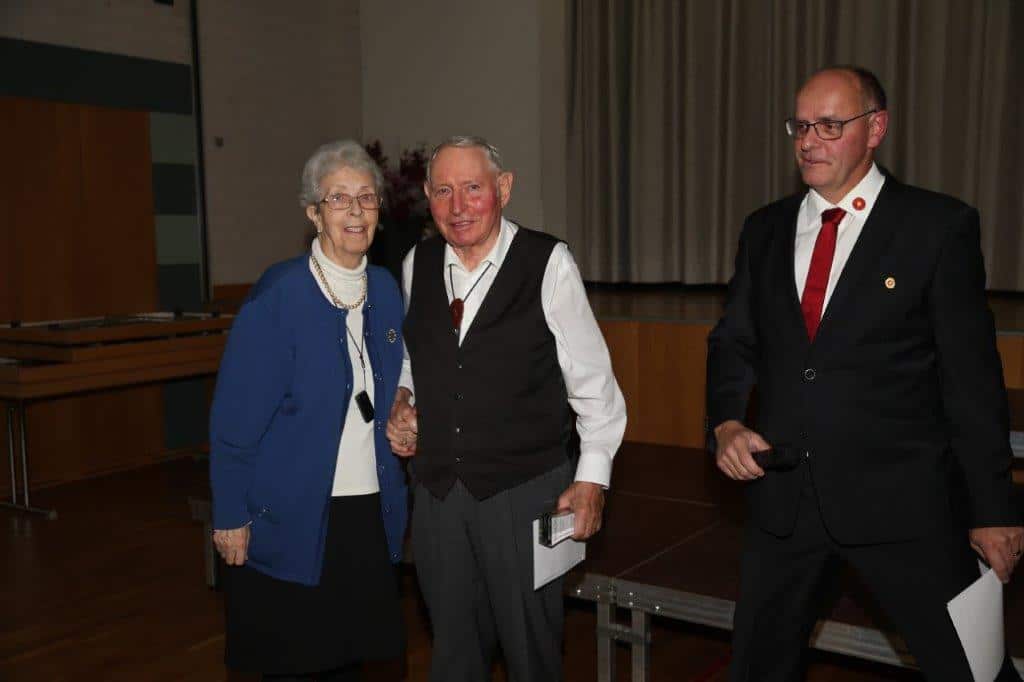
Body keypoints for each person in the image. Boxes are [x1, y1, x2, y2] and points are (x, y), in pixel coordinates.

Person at [707, 65, 1024, 681]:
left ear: (876, 128)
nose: (809, 141)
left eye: (830, 125)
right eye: (801, 126)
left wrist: (992, 507)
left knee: (974, 672)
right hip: (784, 505)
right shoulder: (764, 230)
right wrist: (725, 423)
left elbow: (972, 378)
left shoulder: (937, 227)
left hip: (904, 505)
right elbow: (733, 343)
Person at [385, 135, 626, 682]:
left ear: (504, 188)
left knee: (530, 651)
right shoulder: (417, 263)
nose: (458, 206)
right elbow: (413, 360)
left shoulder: (548, 262)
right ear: (427, 196)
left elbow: (593, 383)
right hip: (439, 496)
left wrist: (592, 480)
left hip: (525, 492)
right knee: (452, 652)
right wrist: (403, 400)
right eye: (443, 191)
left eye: (473, 188)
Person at [209, 140, 408, 681]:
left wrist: (404, 412)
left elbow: (396, 383)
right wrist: (229, 514)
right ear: (313, 213)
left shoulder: (386, 291)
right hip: (292, 518)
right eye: (338, 198)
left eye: (366, 197)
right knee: (296, 663)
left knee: (353, 661)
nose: (354, 210)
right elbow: (233, 420)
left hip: (367, 514)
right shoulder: (280, 296)